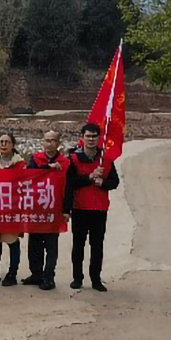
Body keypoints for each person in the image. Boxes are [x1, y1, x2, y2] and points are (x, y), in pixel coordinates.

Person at [67, 123, 120, 292]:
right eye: (88, 136)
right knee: (78, 245)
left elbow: (115, 182)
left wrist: (103, 183)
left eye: (94, 136)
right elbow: (70, 183)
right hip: (80, 207)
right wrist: (89, 177)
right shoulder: (74, 159)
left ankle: (96, 279)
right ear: (82, 137)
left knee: (97, 246)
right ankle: (77, 278)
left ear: (98, 138)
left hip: (99, 209)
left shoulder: (105, 159)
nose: (91, 139)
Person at [23, 130, 72, 291]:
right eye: (47, 140)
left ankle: (48, 277)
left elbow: (69, 187)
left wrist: (66, 210)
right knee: (34, 244)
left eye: (53, 140)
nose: (49, 143)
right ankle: (35, 274)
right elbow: (28, 176)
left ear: (58, 143)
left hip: (54, 210)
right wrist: (46, 168)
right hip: (36, 209)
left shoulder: (65, 163)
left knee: (51, 245)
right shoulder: (35, 159)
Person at [0, 132, 25, 286]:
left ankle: (12, 273)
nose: (3, 144)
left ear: (13, 145)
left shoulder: (20, 163)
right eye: (1, 141)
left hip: (12, 207)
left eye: (7, 142)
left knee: (12, 241)